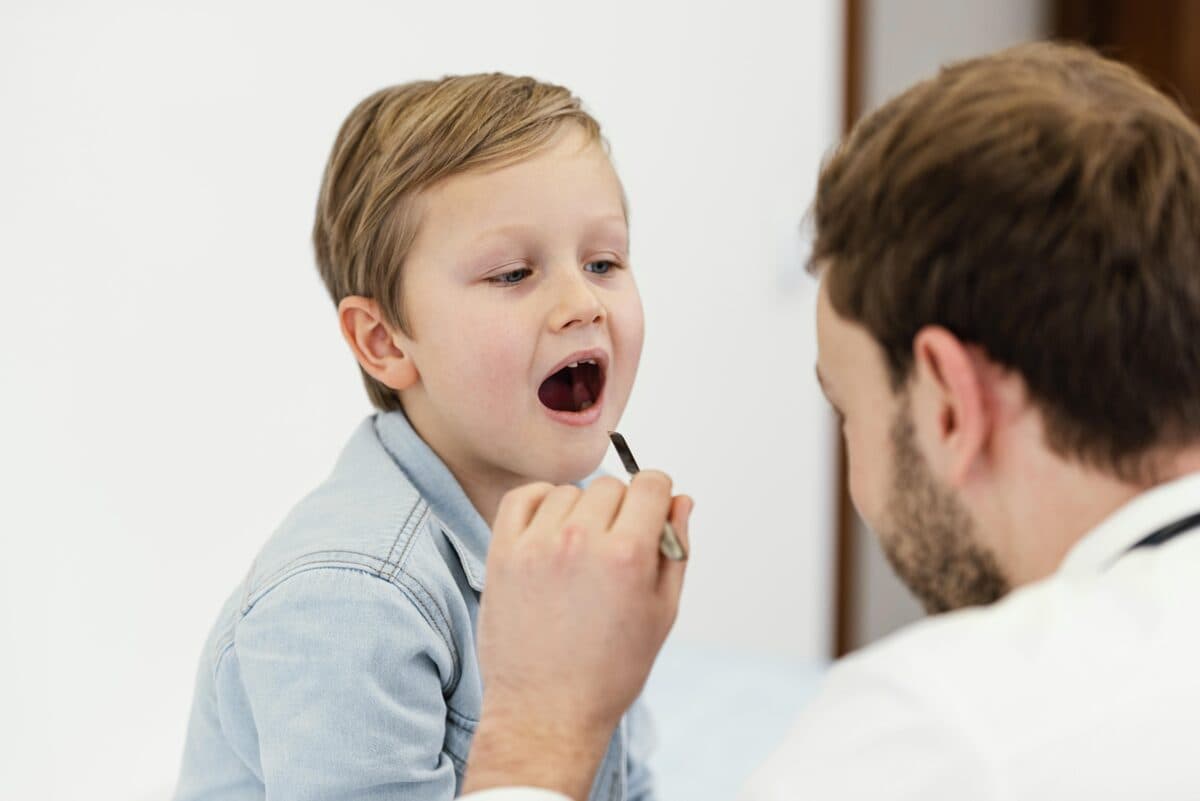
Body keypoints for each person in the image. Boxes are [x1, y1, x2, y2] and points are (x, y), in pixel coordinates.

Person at [459, 42, 1200, 801]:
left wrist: (534, 736)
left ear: (948, 403)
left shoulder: (939, 731)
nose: (580, 305)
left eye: (846, 409)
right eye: (513, 273)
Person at [172, 74, 692, 801]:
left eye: (603, 262)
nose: (583, 304)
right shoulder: (348, 599)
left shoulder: (574, 540)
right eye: (514, 272)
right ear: (384, 340)